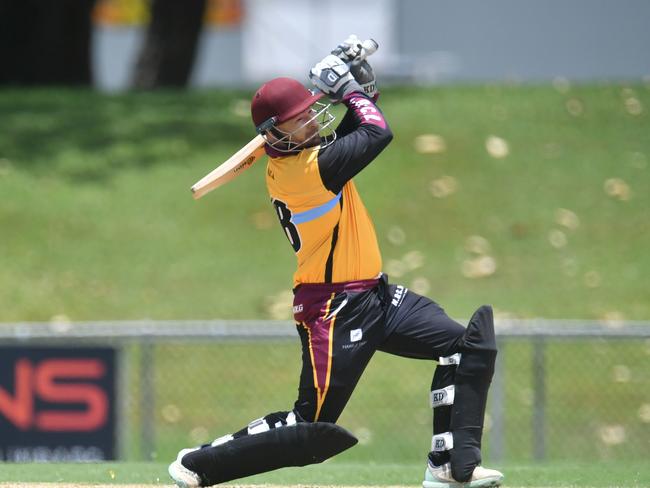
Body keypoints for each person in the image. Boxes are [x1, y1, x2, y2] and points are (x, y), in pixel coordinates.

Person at [169, 35, 504, 488]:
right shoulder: (303, 173)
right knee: (309, 427)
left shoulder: (313, 155)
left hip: (377, 294)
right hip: (333, 308)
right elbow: (377, 133)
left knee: (465, 348)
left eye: (309, 110)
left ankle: (449, 467)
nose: (310, 119)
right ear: (273, 133)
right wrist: (348, 90)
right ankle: (201, 462)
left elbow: (361, 123)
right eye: (298, 118)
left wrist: (360, 86)